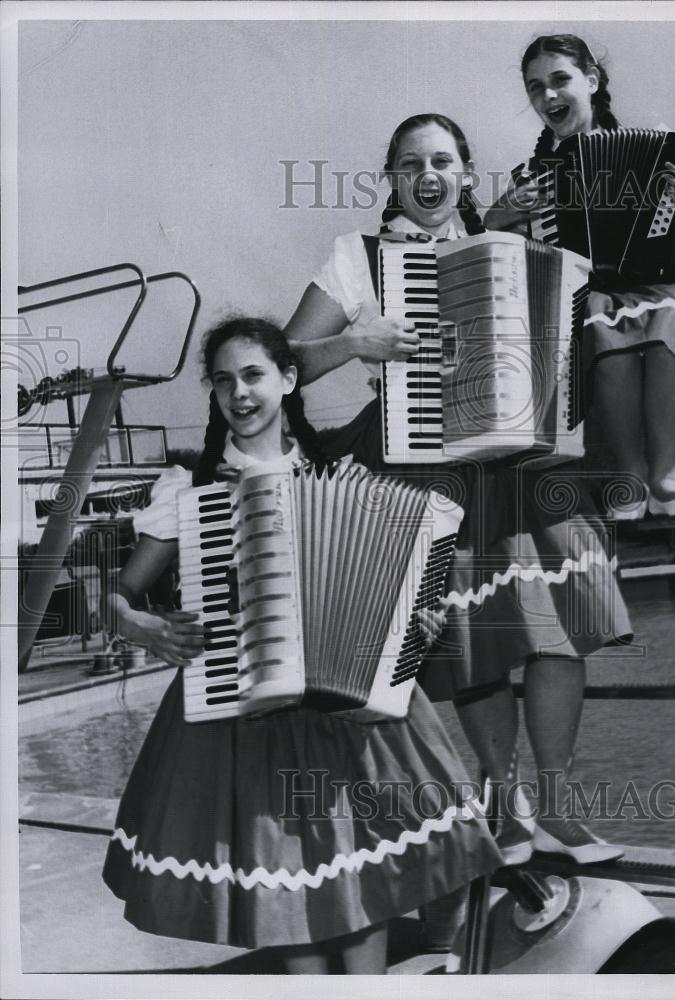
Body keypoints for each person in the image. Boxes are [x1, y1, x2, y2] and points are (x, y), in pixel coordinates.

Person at [102, 317, 504, 974]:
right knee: (284, 880)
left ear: (288, 380)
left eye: (255, 375)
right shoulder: (190, 492)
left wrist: (416, 633)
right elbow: (115, 598)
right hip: (239, 709)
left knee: (362, 878)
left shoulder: (341, 476)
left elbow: (399, 601)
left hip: (348, 714)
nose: (241, 393)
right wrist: (139, 624)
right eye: (225, 381)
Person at [284, 114, 632, 866]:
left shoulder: (513, 248)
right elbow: (283, 363)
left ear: (468, 173)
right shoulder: (358, 257)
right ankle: (505, 811)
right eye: (411, 165)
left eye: (443, 162)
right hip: (424, 467)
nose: (429, 177)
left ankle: (556, 806)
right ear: (393, 178)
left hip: (527, 459)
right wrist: (352, 343)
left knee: (560, 624)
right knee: (478, 643)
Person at [485, 34, 675, 520]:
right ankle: (632, 479)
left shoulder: (665, 150)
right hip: (588, 293)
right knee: (595, 321)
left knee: (672, 319)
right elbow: (517, 264)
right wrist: (499, 218)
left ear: (591, 81)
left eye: (559, 80)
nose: (547, 96)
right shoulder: (534, 176)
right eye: (535, 88)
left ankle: (665, 479)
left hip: (665, 281)